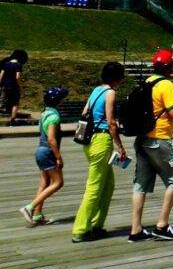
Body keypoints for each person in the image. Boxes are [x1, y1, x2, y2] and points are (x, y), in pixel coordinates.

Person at [129, 49, 173, 242]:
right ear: (169, 67)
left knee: (141, 184)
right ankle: (162, 225)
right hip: (160, 138)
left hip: (142, 139)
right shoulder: (166, 84)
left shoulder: (147, 82)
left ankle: (136, 229)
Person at [72, 62, 128, 242]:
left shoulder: (96, 90)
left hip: (89, 142)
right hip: (102, 141)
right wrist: (120, 146)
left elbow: (84, 113)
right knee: (94, 187)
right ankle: (81, 230)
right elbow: (111, 122)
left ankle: (96, 224)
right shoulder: (111, 93)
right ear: (118, 78)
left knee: (108, 185)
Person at [19, 86, 68, 226]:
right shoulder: (54, 116)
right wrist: (58, 157)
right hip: (48, 152)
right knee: (58, 182)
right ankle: (29, 207)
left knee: (44, 183)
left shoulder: (45, 113)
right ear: (58, 101)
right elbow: (52, 139)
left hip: (40, 150)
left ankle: (37, 215)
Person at [1, 49, 29, 126]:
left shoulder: (6, 64)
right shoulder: (18, 65)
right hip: (14, 86)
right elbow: (17, 77)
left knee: (7, 100)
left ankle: (6, 113)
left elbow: (1, 75)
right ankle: (12, 120)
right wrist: (19, 85)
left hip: (6, 85)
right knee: (15, 103)